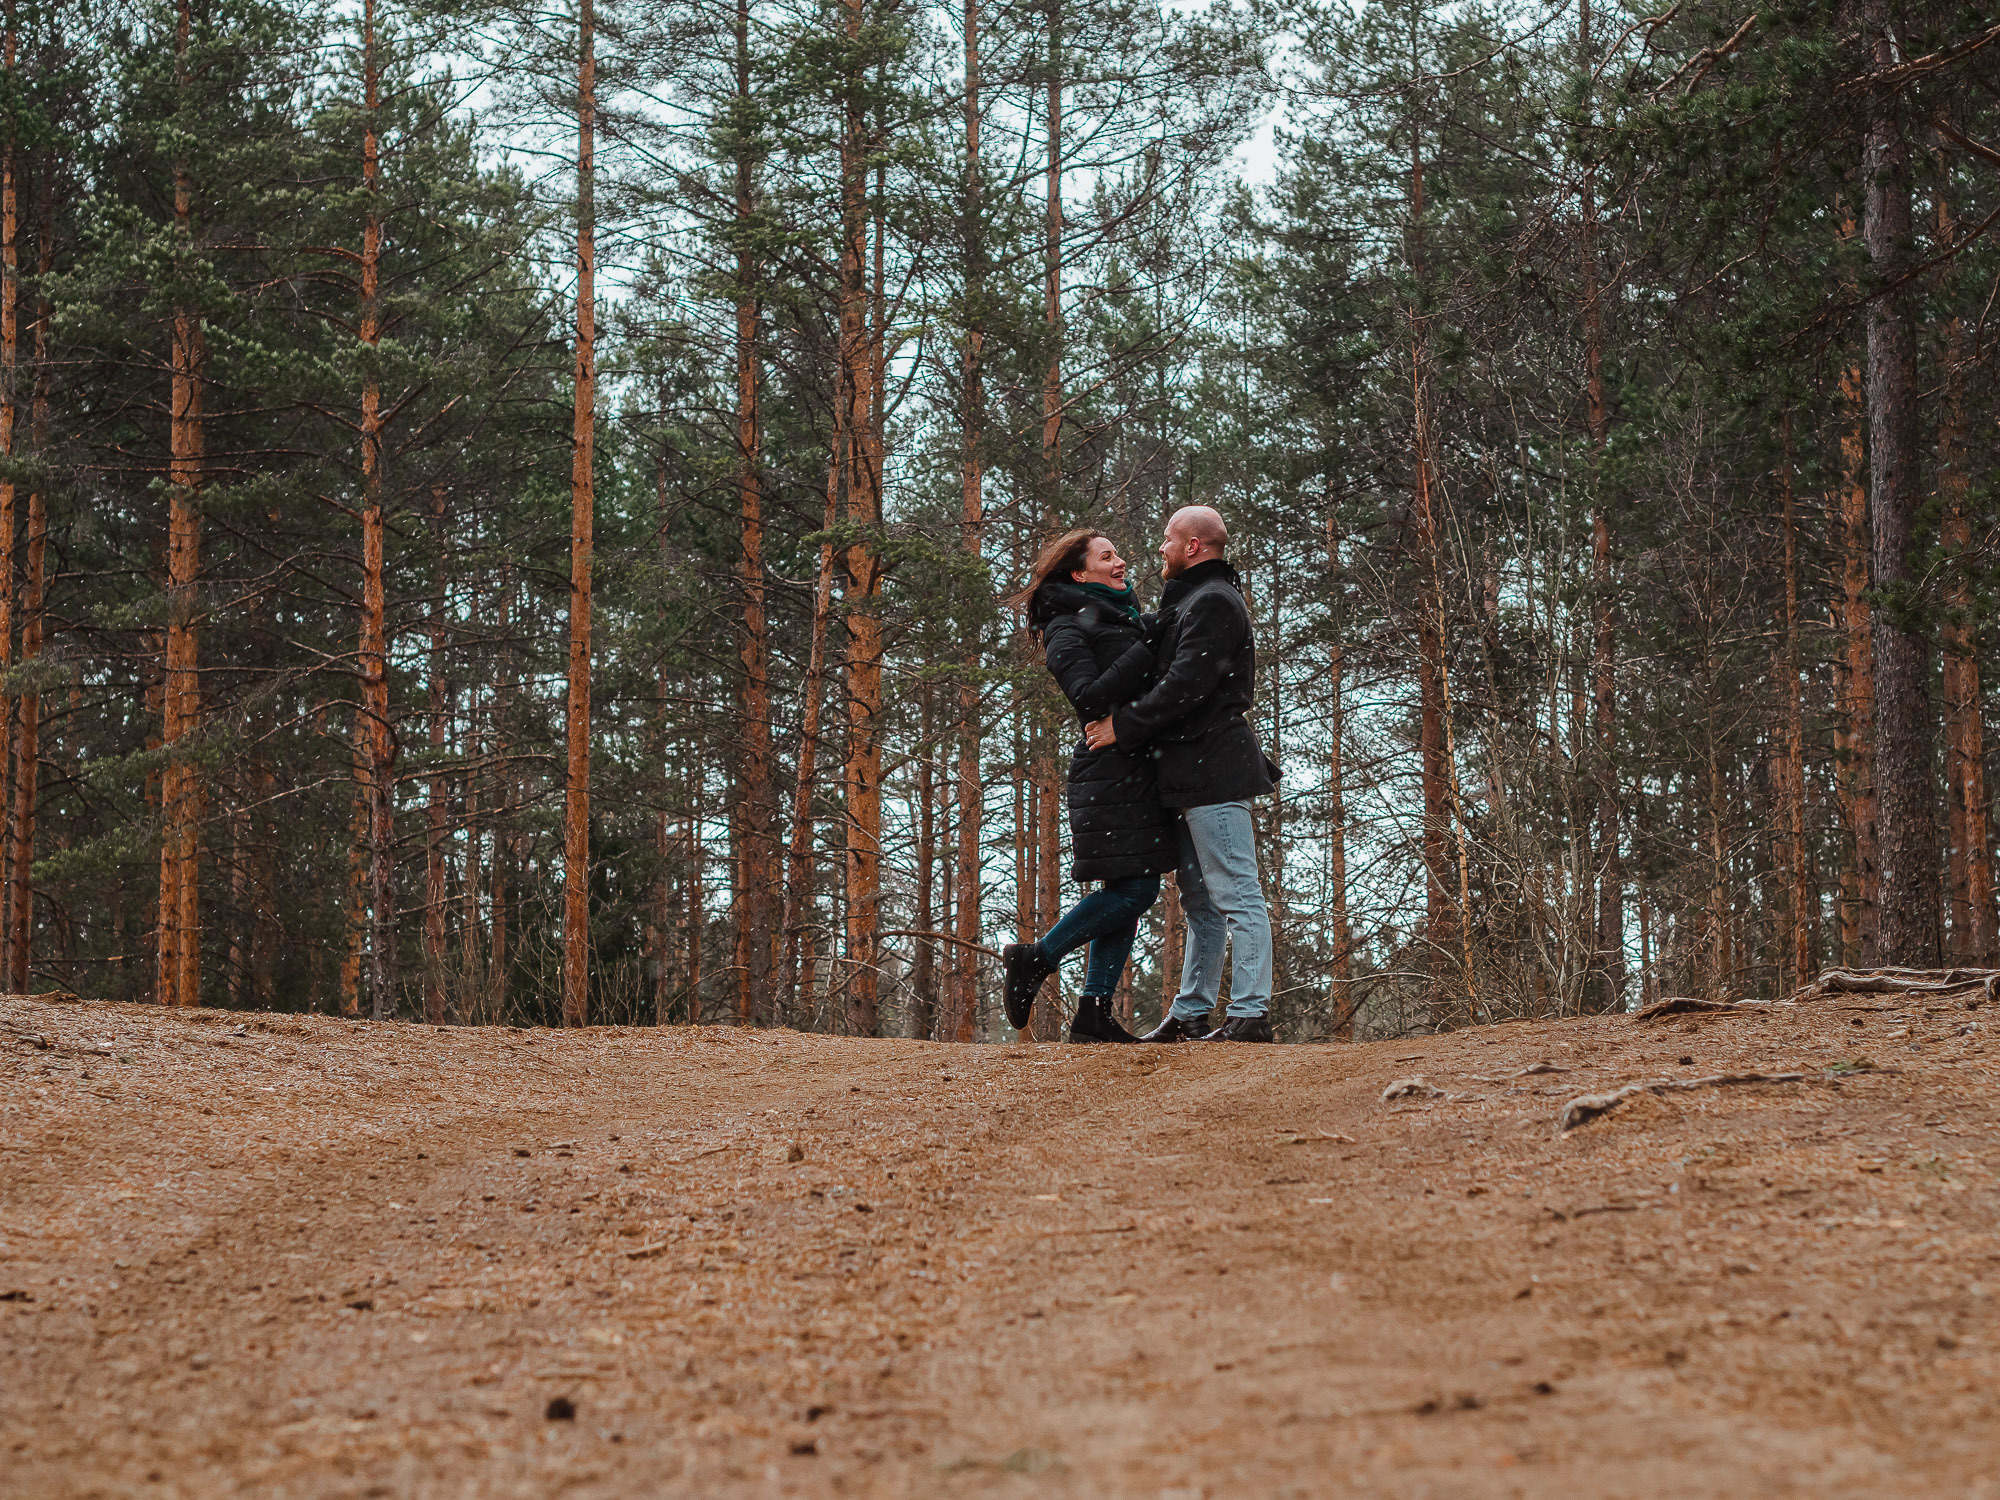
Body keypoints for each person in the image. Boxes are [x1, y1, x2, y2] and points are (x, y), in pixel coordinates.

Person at [1084, 505, 1279, 1043]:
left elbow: (1186, 685)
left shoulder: (1214, 600)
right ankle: (1191, 1011)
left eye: (1168, 539)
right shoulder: (1190, 601)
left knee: (1236, 892)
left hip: (1215, 767)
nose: (1161, 548)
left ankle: (1250, 1013)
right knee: (1199, 901)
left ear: (1193, 546)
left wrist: (1122, 726)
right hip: (1187, 774)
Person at [1001, 528, 1178, 1043]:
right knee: (1137, 889)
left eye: (1118, 552)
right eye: (1107, 556)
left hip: (1137, 768)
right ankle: (1037, 957)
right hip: (1108, 773)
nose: (1120, 561)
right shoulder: (1065, 626)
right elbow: (1088, 696)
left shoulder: (1120, 617)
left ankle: (1093, 1015)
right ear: (1080, 573)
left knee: (1128, 888)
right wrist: (1149, 642)